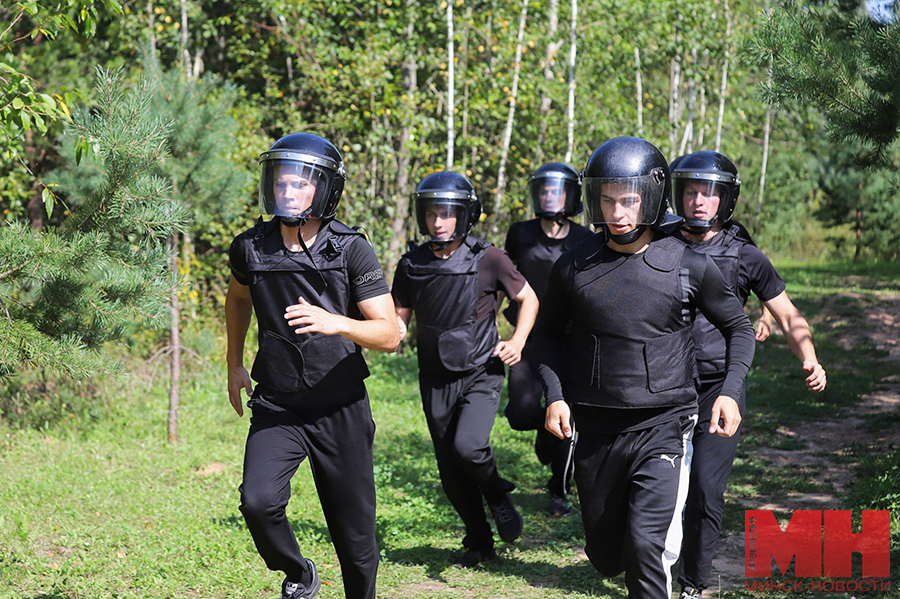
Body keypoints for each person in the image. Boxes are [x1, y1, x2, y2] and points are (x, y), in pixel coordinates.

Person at [532, 137, 756, 599]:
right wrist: (554, 394)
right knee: (606, 553)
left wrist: (730, 390)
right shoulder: (573, 266)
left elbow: (740, 327)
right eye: (608, 199)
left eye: (629, 200)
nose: (617, 212)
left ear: (651, 198)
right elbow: (546, 334)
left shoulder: (688, 265)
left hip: (664, 423)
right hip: (595, 427)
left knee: (645, 544)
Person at [225, 132, 400, 599]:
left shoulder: (350, 249)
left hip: (340, 407)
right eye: (280, 181)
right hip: (278, 404)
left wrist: (335, 322)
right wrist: (233, 363)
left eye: (298, 183)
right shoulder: (250, 247)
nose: (286, 191)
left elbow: (389, 334)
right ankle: (300, 574)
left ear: (324, 190)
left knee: (355, 538)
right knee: (258, 502)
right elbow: (238, 297)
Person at [670, 150, 827, 599]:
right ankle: (643, 567)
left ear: (726, 199)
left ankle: (694, 585)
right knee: (657, 490)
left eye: (710, 192)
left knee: (703, 490)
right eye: (692, 191)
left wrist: (809, 358)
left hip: (720, 388)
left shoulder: (744, 255)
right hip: (659, 384)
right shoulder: (658, 242)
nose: (700, 200)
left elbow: (787, 311)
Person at [391, 171, 540, 568]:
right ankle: (479, 541)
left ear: (464, 215)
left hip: (481, 371)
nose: (437, 222)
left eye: (446, 213)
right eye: (431, 213)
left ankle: (496, 494)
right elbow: (397, 319)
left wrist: (518, 341)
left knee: (468, 448)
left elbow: (529, 299)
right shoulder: (411, 264)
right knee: (451, 472)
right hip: (434, 378)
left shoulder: (489, 257)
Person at [503, 162, 593, 516]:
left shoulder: (585, 238)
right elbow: (506, 280)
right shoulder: (520, 233)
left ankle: (559, 489)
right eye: (543, 190)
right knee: (521, 412)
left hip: (571, 339)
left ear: (570, 196)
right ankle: (544, 427)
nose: (549, 196)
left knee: (568, 418)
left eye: (556, 191)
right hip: (527, 336)